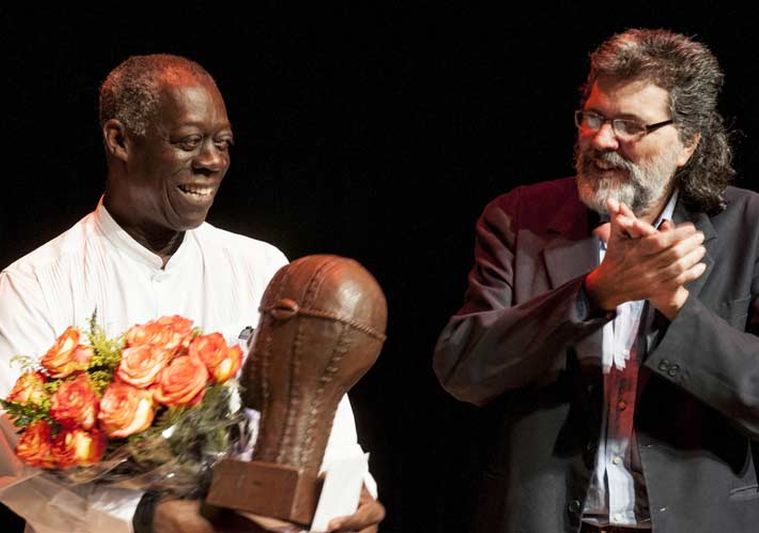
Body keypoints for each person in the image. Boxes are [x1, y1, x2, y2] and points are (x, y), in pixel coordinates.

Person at [0, 54, 384, 533]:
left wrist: (348, 492)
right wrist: (145, 517)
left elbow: (320, 411)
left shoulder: (263, 267)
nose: (211, 162)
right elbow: (18, 469)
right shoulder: (35, 283)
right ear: (119, 139)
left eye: (222, 144)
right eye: (189, 143)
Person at [434, 28, 759, 533]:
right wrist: (594, 294)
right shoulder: (517, 219)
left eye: (630, 125)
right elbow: (463, 370)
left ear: (687, 144)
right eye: (594, 117)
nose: (603, 139)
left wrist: (671, 299)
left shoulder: (750, 227)